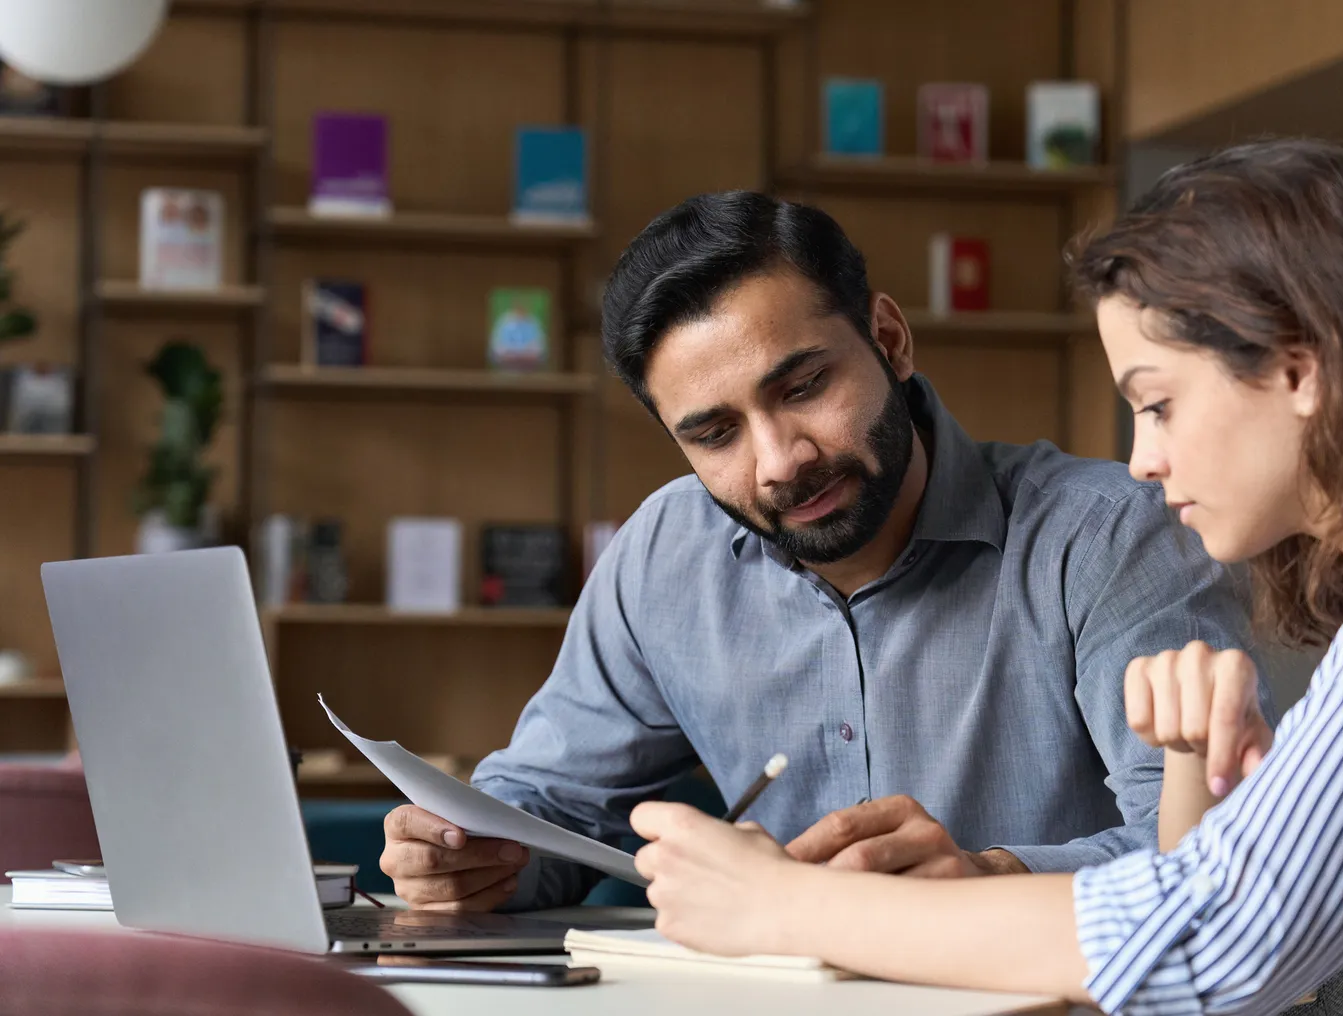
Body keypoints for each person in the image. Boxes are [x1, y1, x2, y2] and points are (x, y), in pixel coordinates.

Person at [629, 139, 1343, 1014]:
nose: (1141, 459)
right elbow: (1215, 944)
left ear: (1299, 369)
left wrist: (784, 906)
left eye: (1157, 403)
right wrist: (1191, 767)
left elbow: (1216, 942)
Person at [379, 191, 1264, 912]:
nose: (780, 461)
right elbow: (554, 809)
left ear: (889, 339)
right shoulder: (663, 554)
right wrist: (474, 858)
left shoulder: (1109, 533)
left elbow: (1216, 854)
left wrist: (988, 878)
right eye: (716, 433)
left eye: (803, 386)